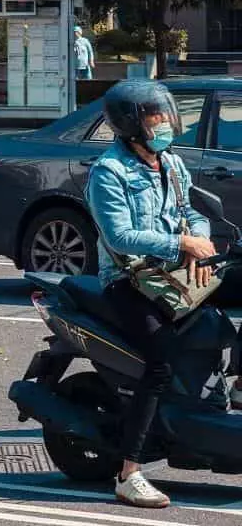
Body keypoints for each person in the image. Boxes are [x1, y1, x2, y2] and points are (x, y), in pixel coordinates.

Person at [86, 80, 216, 508]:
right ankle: (130, 473)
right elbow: (120, 236)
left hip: (175, 269)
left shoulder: (172, 164)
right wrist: (180, 245)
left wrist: (199, 238)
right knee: (159, 361)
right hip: (129, 279)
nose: (165, 121)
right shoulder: (109, 171)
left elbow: (190, 212)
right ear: (130, 123)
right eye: (153, 115)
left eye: (165, 112)